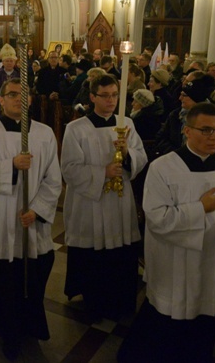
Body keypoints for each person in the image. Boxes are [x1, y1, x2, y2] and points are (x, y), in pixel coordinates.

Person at [117, 103, 215, 363]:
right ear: (187, 131)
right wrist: (200, 207)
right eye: (206, 130)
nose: (214, 137)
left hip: (211, 256)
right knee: (166, 315)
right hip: (174, 257)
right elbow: (156, 218)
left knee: (203, 314)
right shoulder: (163, 168)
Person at [0, 78, 61, 359]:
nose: (17, 100)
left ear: (30, 101)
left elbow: (53, 180)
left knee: (32, 277)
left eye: (23, 95)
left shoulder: (44, 134)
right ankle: (8, 332)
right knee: (3, 281)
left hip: (30, 220)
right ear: (0, 100)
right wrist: (10, 165)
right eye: (11, 95)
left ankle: (31, 325)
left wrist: (39, 210)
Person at [61, 74, 148, 321]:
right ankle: (95, 302)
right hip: (90, 201)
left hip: (119, 201)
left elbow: (141, 156)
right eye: (105, 95)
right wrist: (103, 172)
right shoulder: (75, 129)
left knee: (119, 252)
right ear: (92, 97)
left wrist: (127, 154)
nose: (111, 100)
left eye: (115, 95)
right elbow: (68, 167)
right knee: (94, 254)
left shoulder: (126, 124)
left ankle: (119, 301)